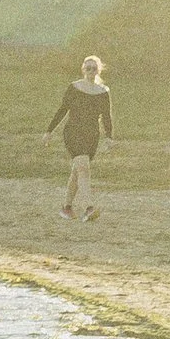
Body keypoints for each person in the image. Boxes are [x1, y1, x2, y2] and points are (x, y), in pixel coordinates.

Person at [46, 55, 115, 217]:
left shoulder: (103, 92)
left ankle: (66, 208)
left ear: (99, 70)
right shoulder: (74, 87)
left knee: (77, 171)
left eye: (94, 68)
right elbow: (63, 109)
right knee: (84, 168)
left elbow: (106, 116)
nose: (91, 71)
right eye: (88, 68)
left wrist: (109, 137)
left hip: (91, 135)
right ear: (83, 70)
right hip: (73, 132)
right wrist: (49, 131)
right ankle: (88, 207)